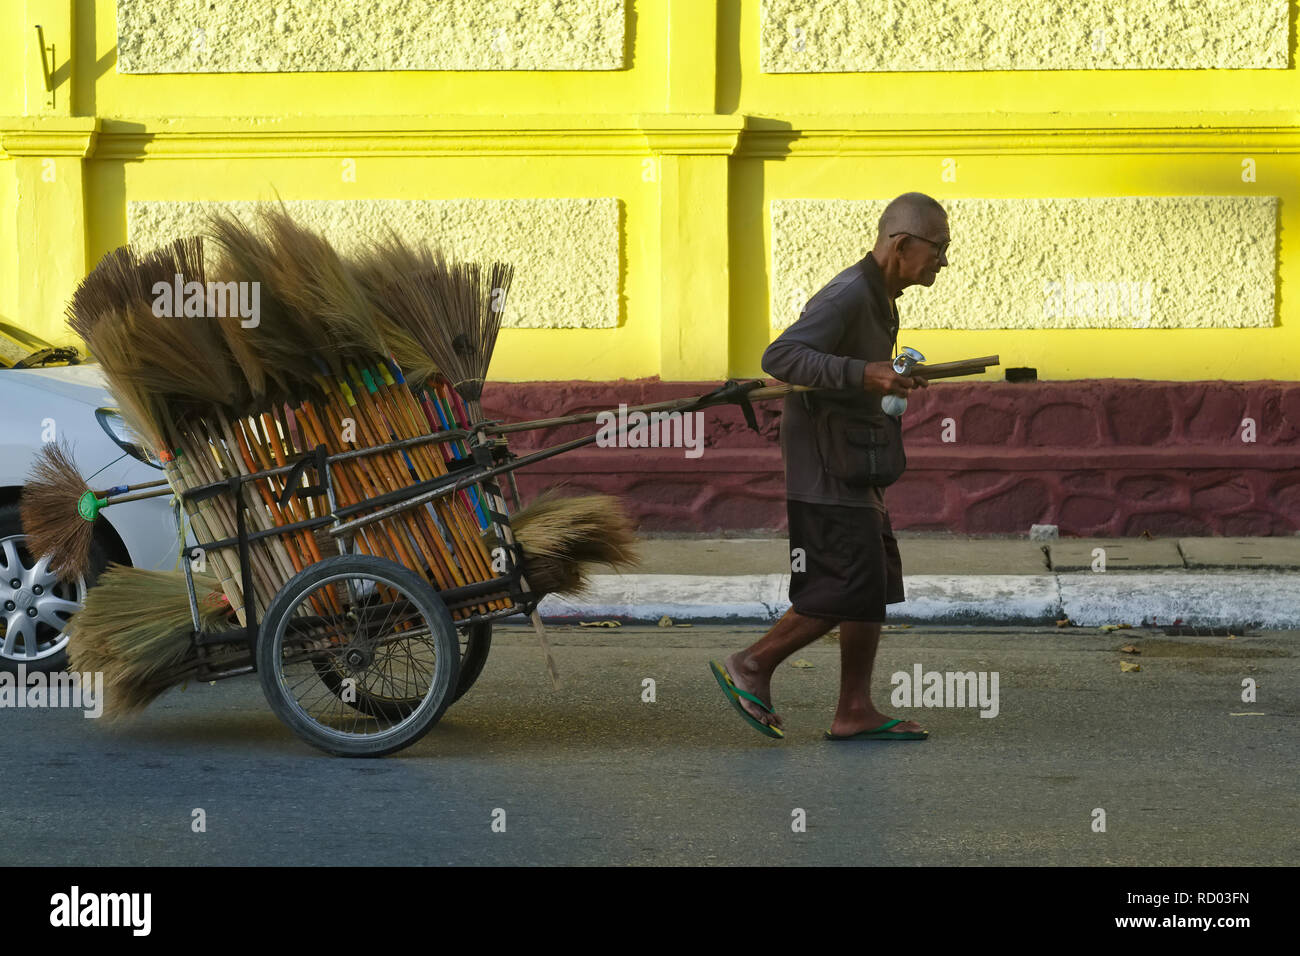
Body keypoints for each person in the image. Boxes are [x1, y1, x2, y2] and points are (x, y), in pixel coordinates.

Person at [709, 192, 949, 740]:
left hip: (856, 460)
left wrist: (888, 377)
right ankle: (752, 662)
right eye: (938, 247)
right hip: (825, 466)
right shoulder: (848, 293)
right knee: (845, 583)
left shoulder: (883, 297)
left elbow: (853, 371)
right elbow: (781, 358)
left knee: (874, 584)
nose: (943, 260)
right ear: (902, 243)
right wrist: (868, 373)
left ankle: (855, 710)